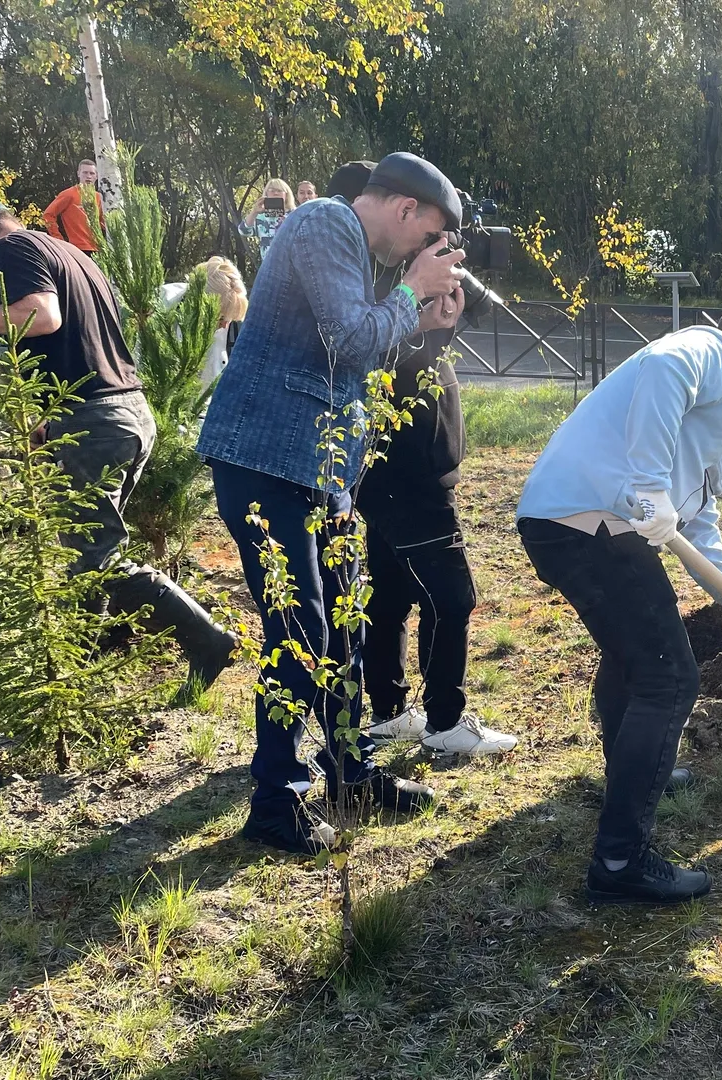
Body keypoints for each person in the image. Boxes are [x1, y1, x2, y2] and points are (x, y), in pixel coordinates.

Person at [197, 153, 468, 855]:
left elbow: (359, 360)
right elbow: (350, 340)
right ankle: (274, 805)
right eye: (426, 238)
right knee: (300, 632)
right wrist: (410, 291)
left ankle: (350, 774)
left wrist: (426, 320)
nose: (421, 254)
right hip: (264, 459)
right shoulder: (324, 223)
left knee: (341, 631)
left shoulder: (358, 259)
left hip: (319, 473)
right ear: (406, 209)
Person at [515, 303, 722, 905]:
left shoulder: (711, 426)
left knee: (634, 658)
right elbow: (668, 368)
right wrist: (646, 484)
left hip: (567, 520)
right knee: (669, 677)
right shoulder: (717, 352)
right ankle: (620, 860)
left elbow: (700, 531)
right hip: (590, 520)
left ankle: (637, 772)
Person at [0, 195, 238, 692]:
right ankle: (88, 662)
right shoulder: (72, 255)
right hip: (129, 412)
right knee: (88, 552)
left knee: (96, 557)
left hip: (93, 423)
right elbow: (76, 343)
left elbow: (42, 317)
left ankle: (207, 639)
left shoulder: (15, 249)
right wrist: (42, 416)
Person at [321, 160, 519, 759]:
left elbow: (405, 361)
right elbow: (382, 368)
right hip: (404, 471)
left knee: (388, 594)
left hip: (391, 469)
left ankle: (389, 713)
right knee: (451, 595)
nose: (433, 248)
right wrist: (423, 313)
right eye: (429, 236)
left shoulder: (384, 282)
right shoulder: (379, 280)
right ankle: (445, 722)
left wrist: (437, 329)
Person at [199, 255, 247, 390]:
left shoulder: (231, 326)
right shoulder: (164, 308)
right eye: (221, 318)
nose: (225, 325)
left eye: (229, 319)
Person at [41, 160, 104, 254]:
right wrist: (58, 239)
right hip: (76, 249)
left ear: (96, 176)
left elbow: (103, 223)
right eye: (85, 173)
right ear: (78, 174)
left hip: (99, 249)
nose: (88, 176)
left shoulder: (100, 198)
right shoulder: (69, 194)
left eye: (92, 173)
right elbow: (48, 215)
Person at [241, 179, 296, 259]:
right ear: (266, 194)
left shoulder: (295, 214)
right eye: (272, 190)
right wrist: (254, 212)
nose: (276, 193)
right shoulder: (261, 216)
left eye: (279, 190)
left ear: (286, 195)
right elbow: (244, 231)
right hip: (268, 264)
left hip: (291, 262)